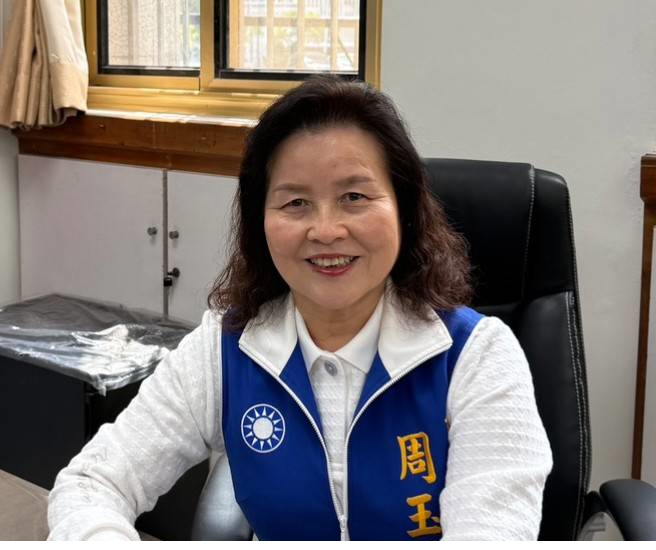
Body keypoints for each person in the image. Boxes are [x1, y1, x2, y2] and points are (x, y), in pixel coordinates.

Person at [47, 75, 552, 541]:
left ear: (404, 208)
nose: (326, 231)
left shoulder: (475, 357)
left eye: (354, 196)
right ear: (260, 222)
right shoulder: (222, 351)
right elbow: (93, 483)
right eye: (295, 203)